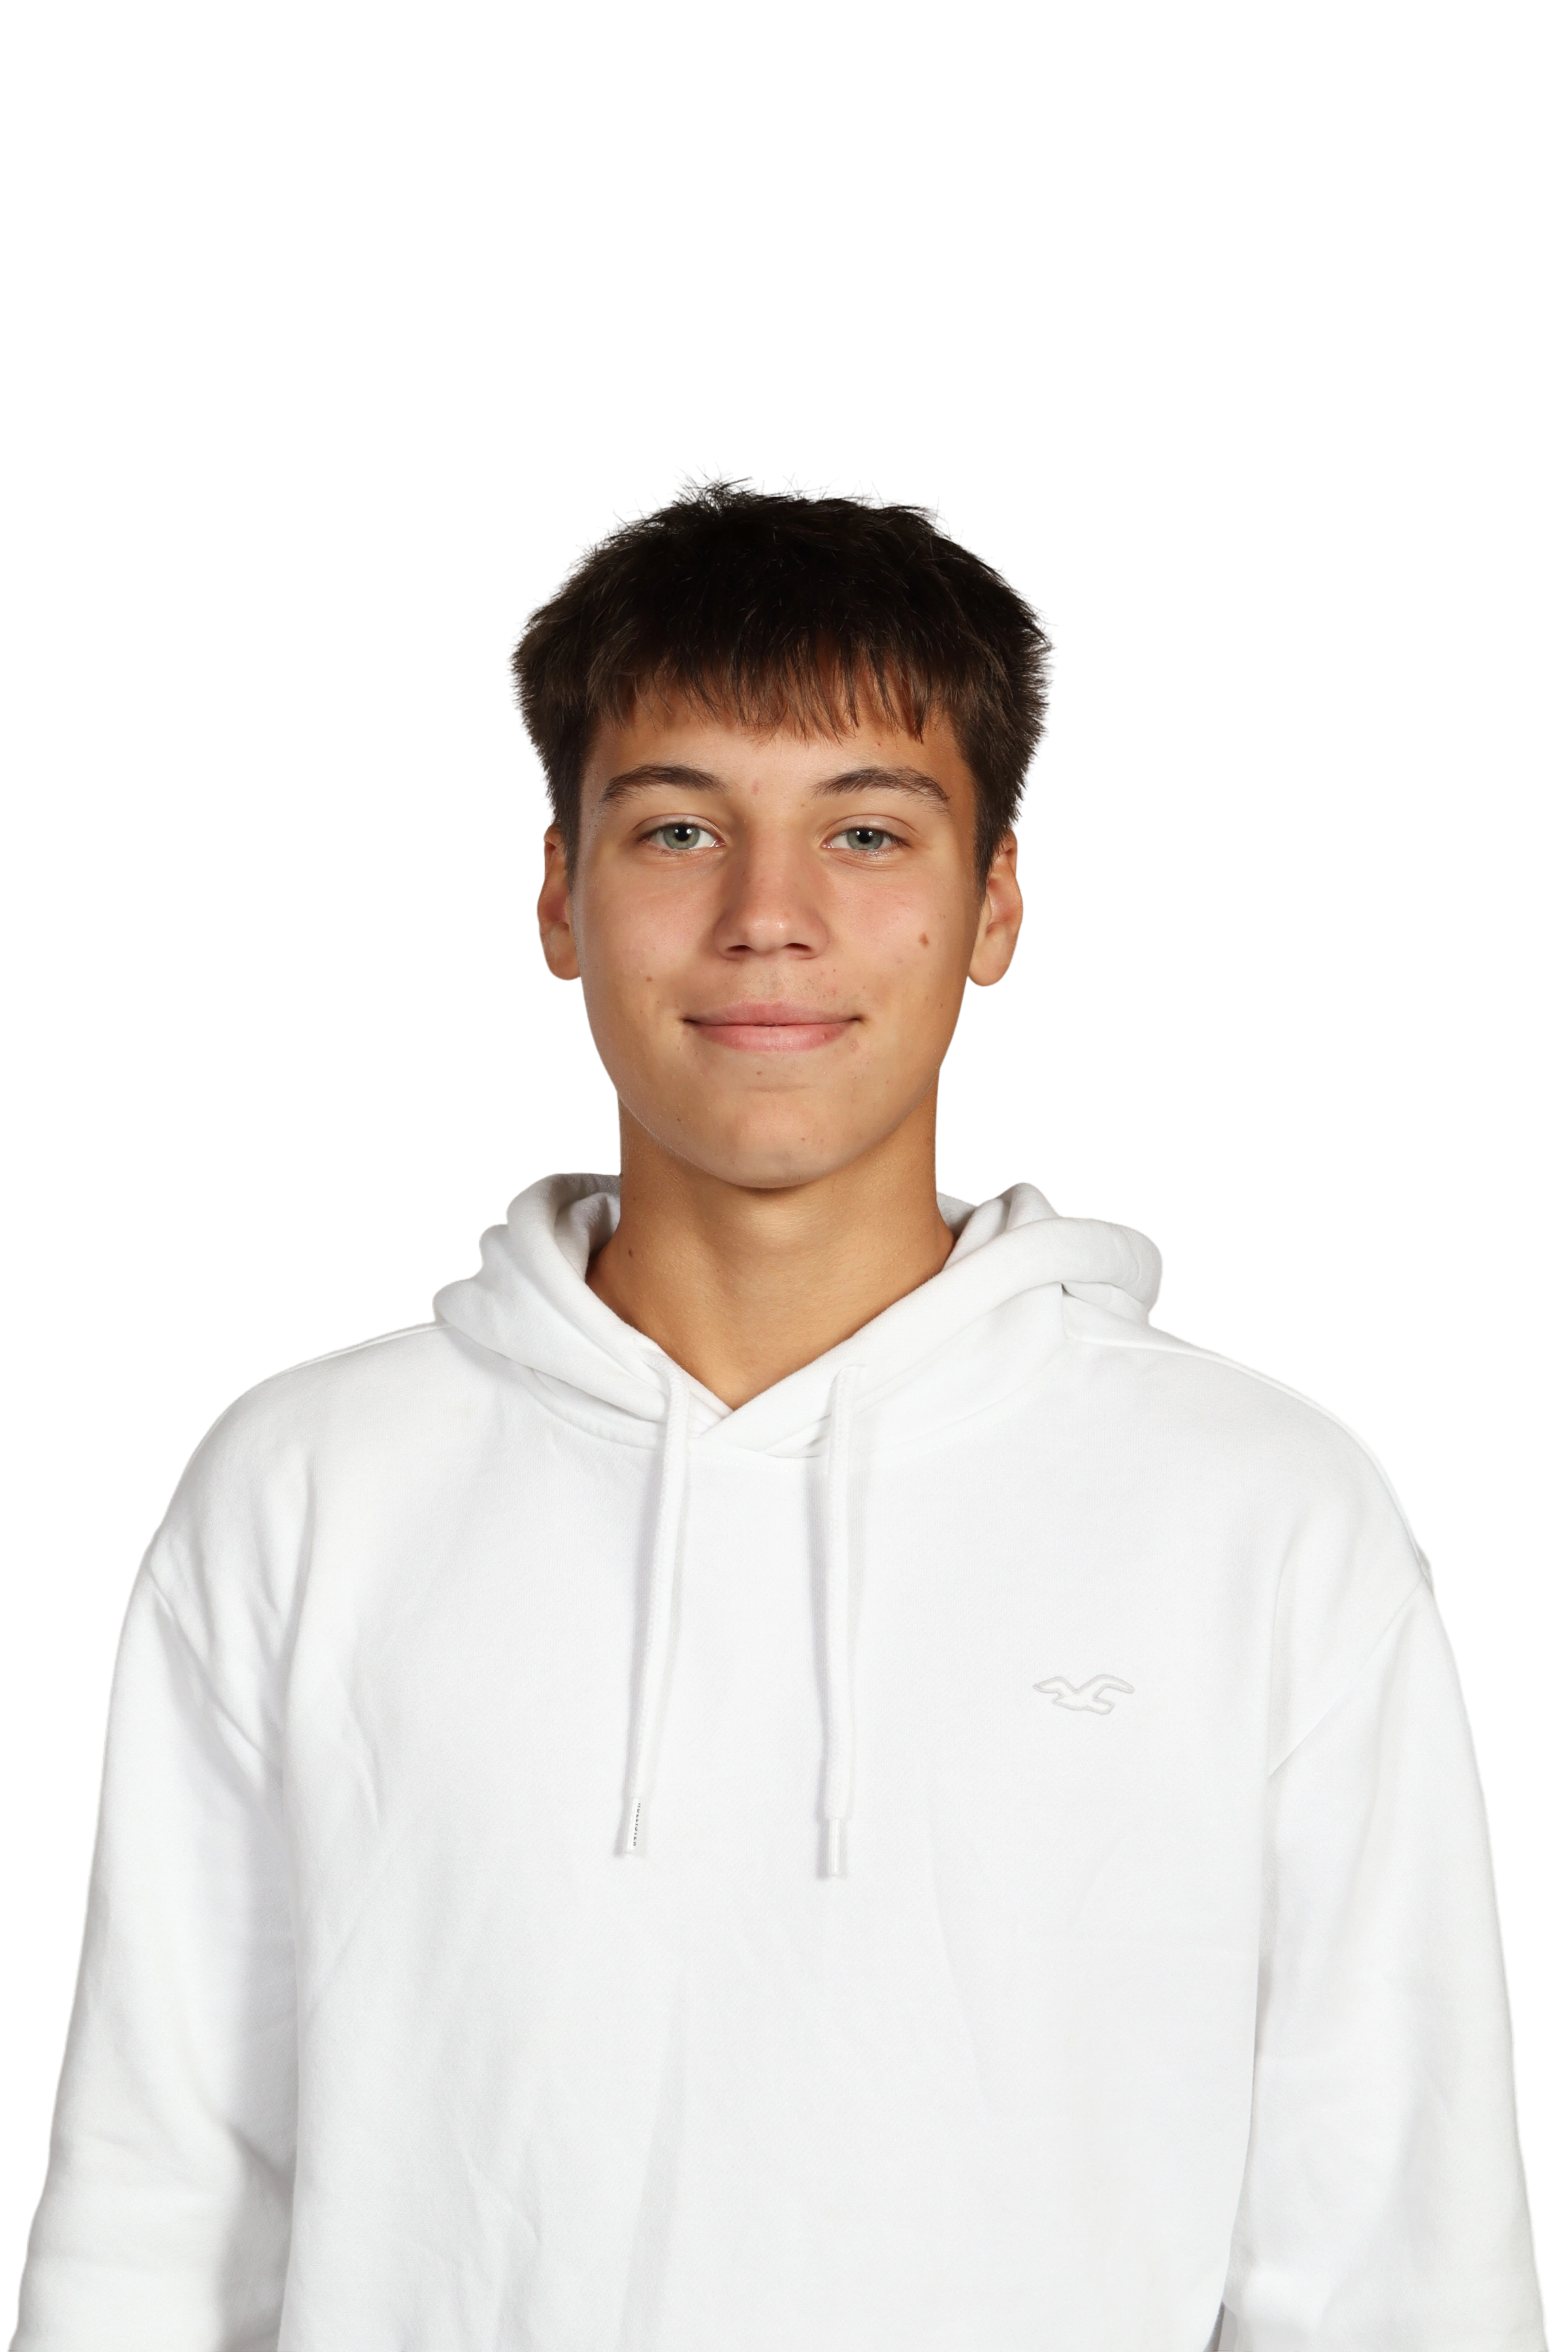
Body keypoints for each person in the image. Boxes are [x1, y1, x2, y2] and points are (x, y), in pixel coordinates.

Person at [14, 467, 1546, 2351]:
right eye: (678, 829)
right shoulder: (309, 1486)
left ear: (994, 910)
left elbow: (1397, 2267)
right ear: (559, 897)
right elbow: (161, 2219)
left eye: (868, 832)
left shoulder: (1263, 1511)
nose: (768, 918)